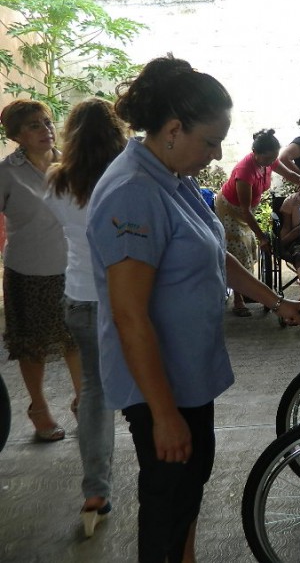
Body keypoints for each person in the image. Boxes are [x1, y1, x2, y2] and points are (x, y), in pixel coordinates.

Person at [86, 55, 300, 563]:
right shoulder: (134, 194)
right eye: (210, 141)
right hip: (158, 385)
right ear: (171, 129)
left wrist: (276, 300)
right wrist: (163, 415)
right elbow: (128, 315)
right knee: (167, 499)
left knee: (189, 487)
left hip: (188, 372)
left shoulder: (175, 180)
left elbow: (217, 254)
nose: (217, 153)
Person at [44, 98, 127, 536]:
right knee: (145, 383)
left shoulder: (56, 182)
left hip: (78, 296)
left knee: (94, 392)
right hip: (126, 297)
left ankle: (95, 489)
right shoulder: (126, 180)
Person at [0, 99, 80, 443]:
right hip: (29, 271)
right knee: (33, 345)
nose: (46, 130)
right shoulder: (7, 172)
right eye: (34, 125)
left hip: (73, 268)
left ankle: (84, 401)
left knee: (75, 339)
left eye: (47, 122)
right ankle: (38, 408)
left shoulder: (70, 163)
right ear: (17, 134)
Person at [214, 128, 281, 316]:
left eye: (274, 158)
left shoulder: (269, 159)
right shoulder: (245, 171)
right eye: (268, 159)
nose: (271, 162)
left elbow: (287, 172)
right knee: (239, 249)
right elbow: (245, 211)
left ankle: (246, 289)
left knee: (249, 245)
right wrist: (263, 237)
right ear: (256, 154)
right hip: (230, 209)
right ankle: (238, 300)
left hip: (246, 210)